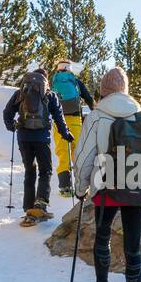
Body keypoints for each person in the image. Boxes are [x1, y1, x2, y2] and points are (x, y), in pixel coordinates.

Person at [71, 66, 141, 282]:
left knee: (102, 238)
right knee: (133, 248)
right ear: (125, 89)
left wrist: (80, 189)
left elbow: (84, 157)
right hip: (135, 190)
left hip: (105, 189)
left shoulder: (97, 117)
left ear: (103, 90)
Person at [3, 68, 74, 227]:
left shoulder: (21, 93)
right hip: (42, 138)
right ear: (45, 81)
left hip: (23, 137)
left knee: (30, 170)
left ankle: (28, 207)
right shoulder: (49, 95)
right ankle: (40, 204)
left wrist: (11, 126)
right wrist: (66, 134)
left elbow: (7, 112)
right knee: (45, 170)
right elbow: (59, 118)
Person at [50, 59, 96, 197]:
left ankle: (65, 188)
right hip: (76, 120)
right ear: (70, 69)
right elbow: (88, 98)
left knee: (63, 153)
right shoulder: (76, 82)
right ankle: (81, 186)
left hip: (58, 121)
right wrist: (95, 110)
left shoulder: (53, 82)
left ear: (58, 69)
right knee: (78, 153)